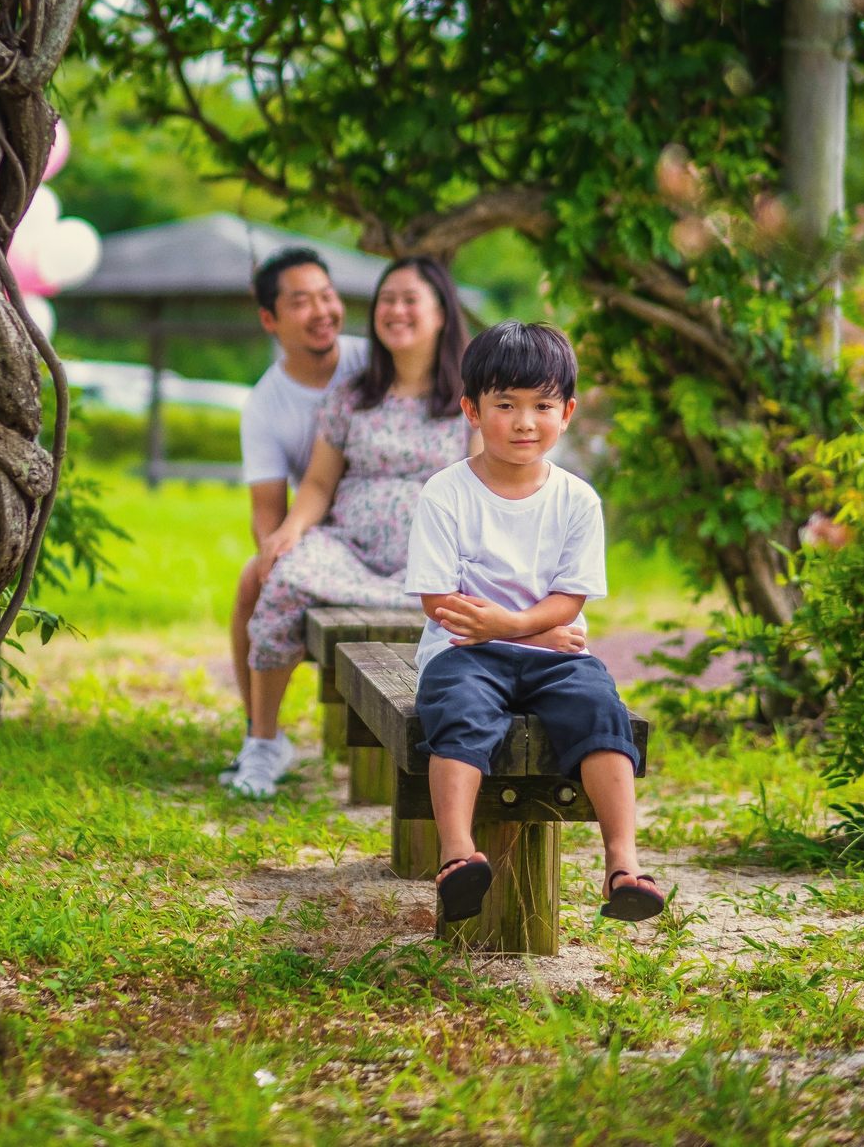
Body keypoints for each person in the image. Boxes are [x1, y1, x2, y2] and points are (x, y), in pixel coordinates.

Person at [403, 320, 664, 925]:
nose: (525, 422)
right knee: (462, 711)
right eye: (506, 405)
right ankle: (458, 855)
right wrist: (528, 629)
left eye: (542, 405)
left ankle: (622, 862)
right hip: (461, 653)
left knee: (600, 707)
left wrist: (513, 626)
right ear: (472, 409)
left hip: (553, 656)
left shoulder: (576, 499)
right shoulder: (447, 494)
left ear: (567, 412)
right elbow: (442, 604)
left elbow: (569, 600)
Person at [228, 256, 473, 799]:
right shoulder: (353, 392)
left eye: (411, 299)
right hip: (353, 550)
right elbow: (316, 485)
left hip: (429, 560)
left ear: (441, 313)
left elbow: (489, 486)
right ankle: (263, 741)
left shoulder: (471, 399)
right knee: (282, 577)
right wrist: (288, 534)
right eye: (387, 299)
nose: (396, 309)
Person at [220, 248, 369, 784]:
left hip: (377, 529)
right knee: (252, 580)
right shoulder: (265, 404)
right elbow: (267, 510)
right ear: (270, 319)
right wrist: (274, 552)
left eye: (327, 296)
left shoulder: (370, 362)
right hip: (314, 530)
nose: (322, 311)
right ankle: (261, 734)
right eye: (301, 301)